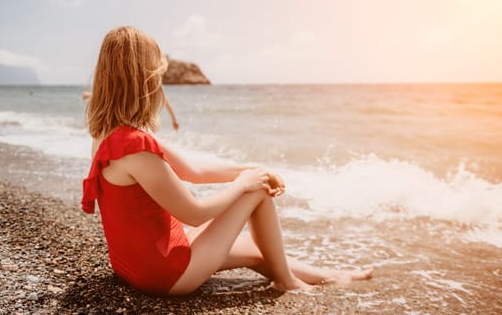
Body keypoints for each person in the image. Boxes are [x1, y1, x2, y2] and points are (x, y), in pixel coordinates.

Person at [82, 26, 373, 296]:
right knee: (256, 190)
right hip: (164, 274)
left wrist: (250, 168)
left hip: (135, 262)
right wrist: (245, 182)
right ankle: (285, 280)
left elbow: (193, 170)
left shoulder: (108, 134)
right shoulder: (135, 146)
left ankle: (337, 275)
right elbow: (194, 214)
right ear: (145, 78)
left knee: (257, 249)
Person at [82, 91, 179, 131]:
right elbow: (112, 94)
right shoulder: (149, 85)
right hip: (148, 120)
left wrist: (174, 120)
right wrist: (174, 120)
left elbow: (112, 94)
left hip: (150, 120)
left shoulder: (152, 86)